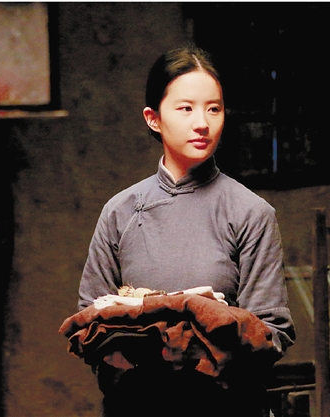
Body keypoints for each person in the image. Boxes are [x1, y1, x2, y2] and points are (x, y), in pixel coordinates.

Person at [76, 45, 295, 417]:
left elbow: (273, 331)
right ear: (153, 119)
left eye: (214, 109)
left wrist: (202, 353)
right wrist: (135, 365)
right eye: (185, 108)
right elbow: (90, 320)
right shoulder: (120, 211)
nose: (202, 123)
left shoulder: (250, 212)